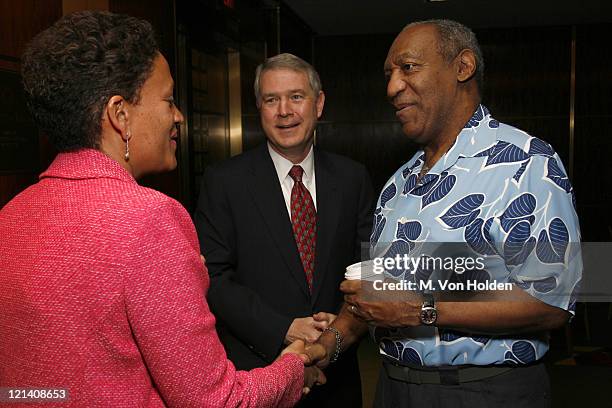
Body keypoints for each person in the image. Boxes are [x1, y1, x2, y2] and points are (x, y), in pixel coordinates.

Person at [0, 11, 325, 407]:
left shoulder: (11, 215)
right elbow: (216, 402)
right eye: (169, 100)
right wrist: (293, 364)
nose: (178, 116)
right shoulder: (149, 218)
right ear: (120, 115)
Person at [310, 19, 581, 407]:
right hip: (393, 387)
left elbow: (553, 303)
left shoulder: (527, 162)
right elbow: (380, 297)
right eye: (388, 74)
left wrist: (422, 311)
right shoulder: (397, 183)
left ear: (462, 67)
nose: (392, 88)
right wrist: (328, 344)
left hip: (484, 391)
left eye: (408, 67)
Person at [194, 53, 374, 406]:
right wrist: (283, 329)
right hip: (258, 376)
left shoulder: (353, 178)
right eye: (271, 100)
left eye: (296, 97)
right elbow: (212, 276)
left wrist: (336, 331)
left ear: (318, 104)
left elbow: (368, 269)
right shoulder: (224, 182)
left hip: (337, 378)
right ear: (259, 109)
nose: (284, 111)